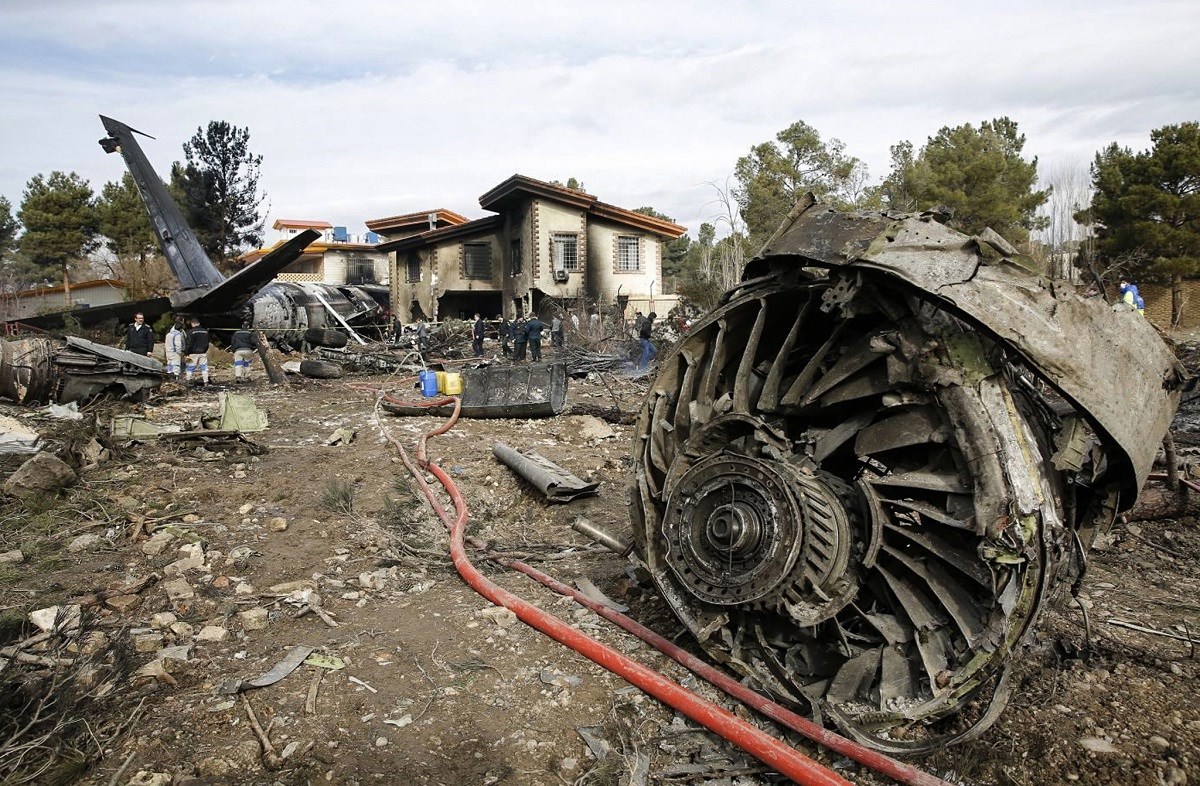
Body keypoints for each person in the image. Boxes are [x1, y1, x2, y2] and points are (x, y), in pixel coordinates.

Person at [183, 317, 210, 387]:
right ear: (199, 323)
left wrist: (186, 353)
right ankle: (206, 382)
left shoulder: (191, 332)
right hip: (203, 352)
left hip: (193, 353)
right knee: (204, 368)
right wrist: (205, 350)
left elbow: (189, 344)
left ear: (192, 324)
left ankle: (188, 381)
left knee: (190, 368)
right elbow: (207, 343)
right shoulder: (205, 331)